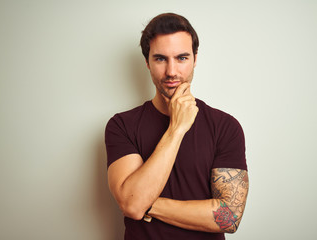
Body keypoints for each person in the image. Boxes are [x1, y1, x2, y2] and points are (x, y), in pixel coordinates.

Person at [105, 13, 249, 240]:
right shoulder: (121, 125)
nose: (171, 71)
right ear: (147, 62)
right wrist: (177, 128)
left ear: (195, 59)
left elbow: (229, 217)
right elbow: (132, 206)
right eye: (161, 59)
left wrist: (147, 204)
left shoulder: (225, 127)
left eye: (181, 58)